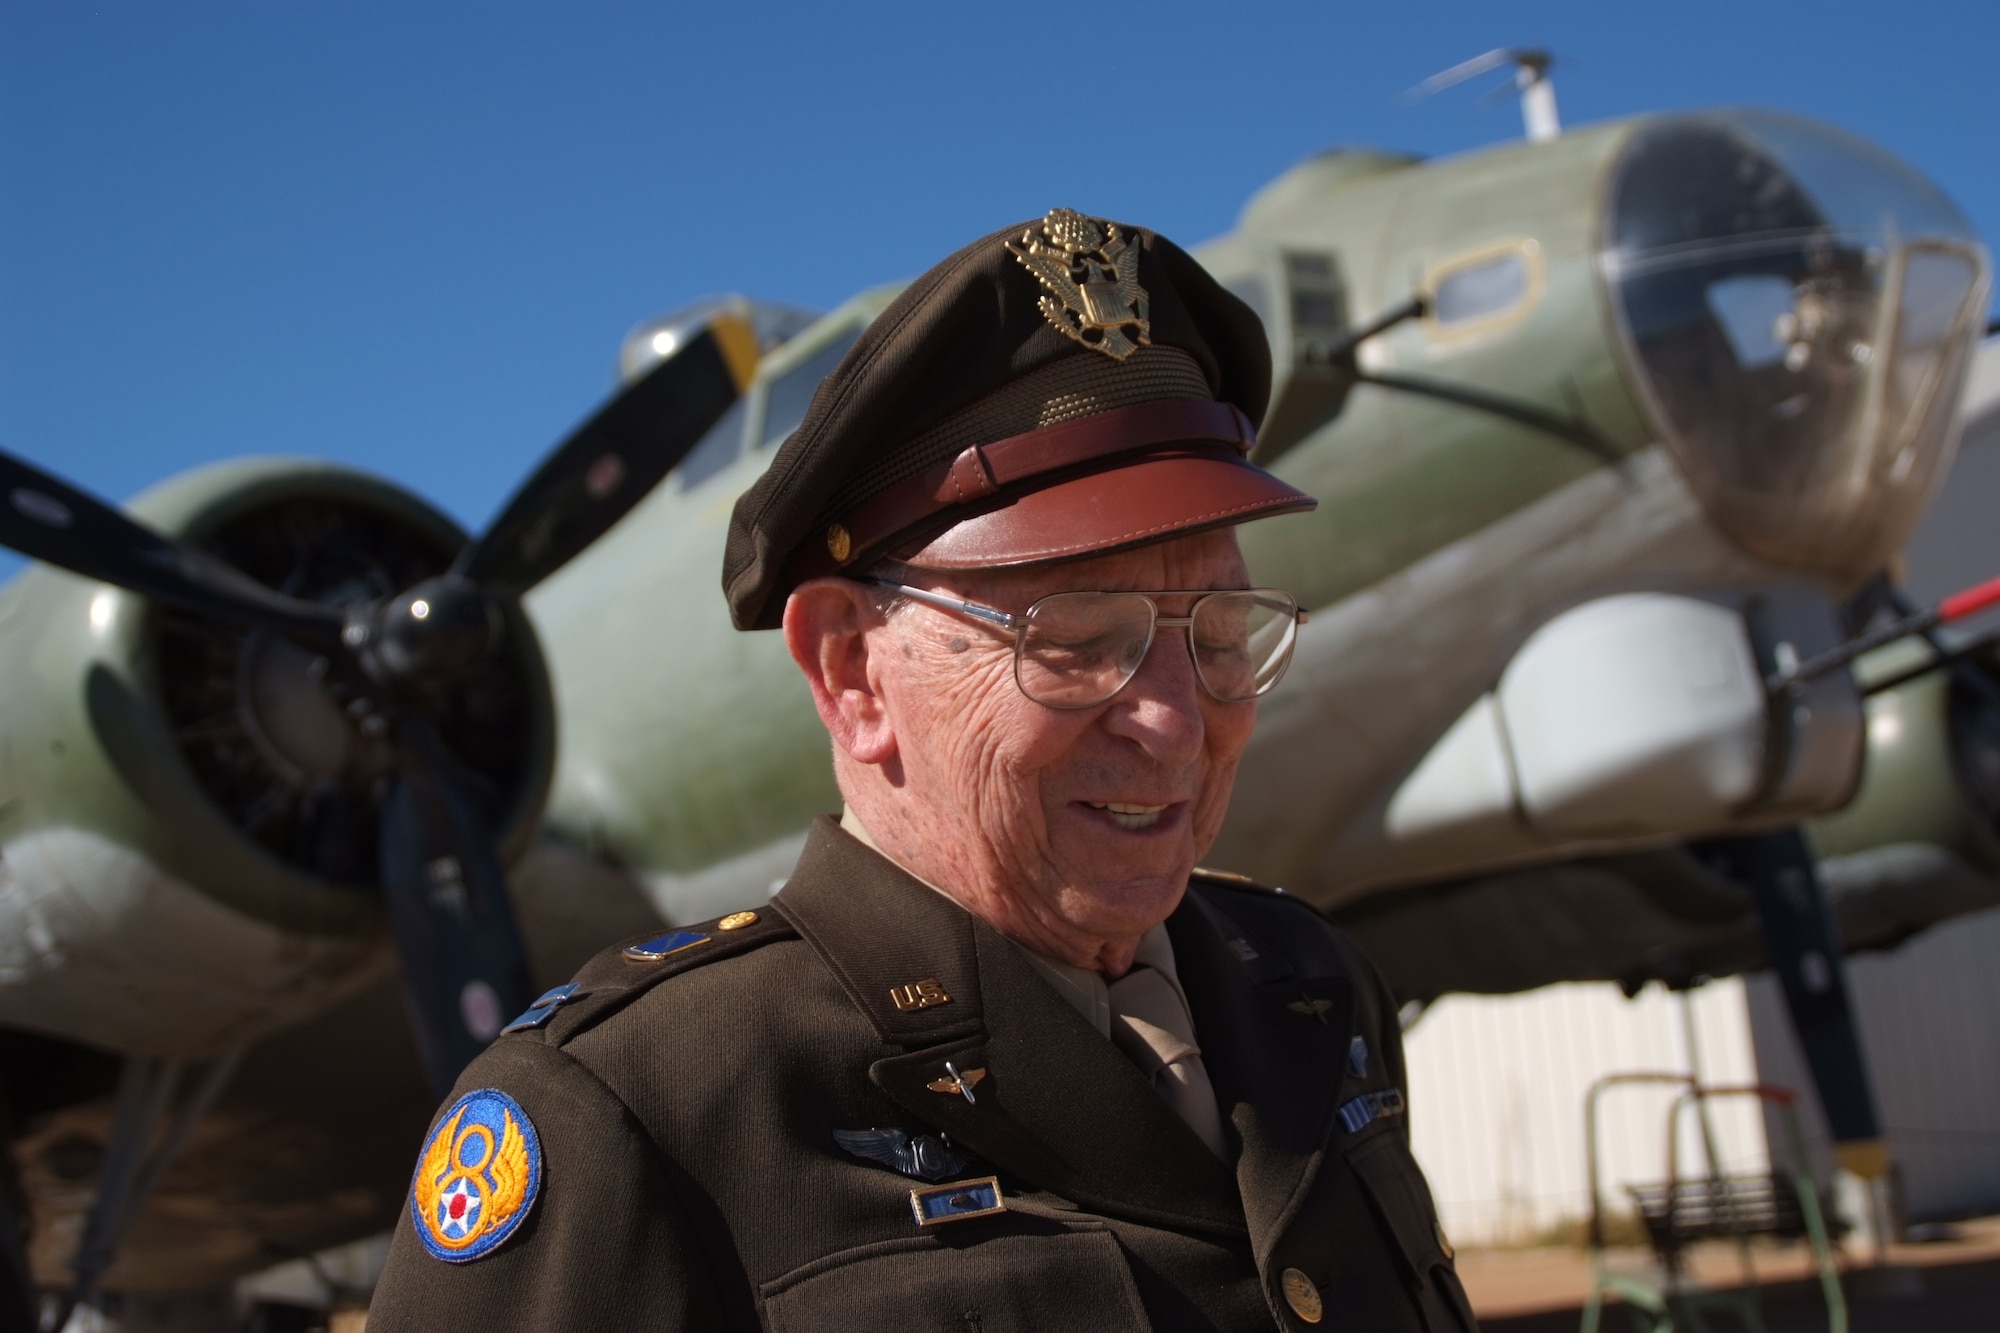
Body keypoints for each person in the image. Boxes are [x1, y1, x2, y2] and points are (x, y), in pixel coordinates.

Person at [369, 209, 1477, 1331]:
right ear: (851, 672)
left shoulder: (1310, 989)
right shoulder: (632, 1114)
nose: (1179, 721)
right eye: (1079, 638)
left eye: (1221, 630)